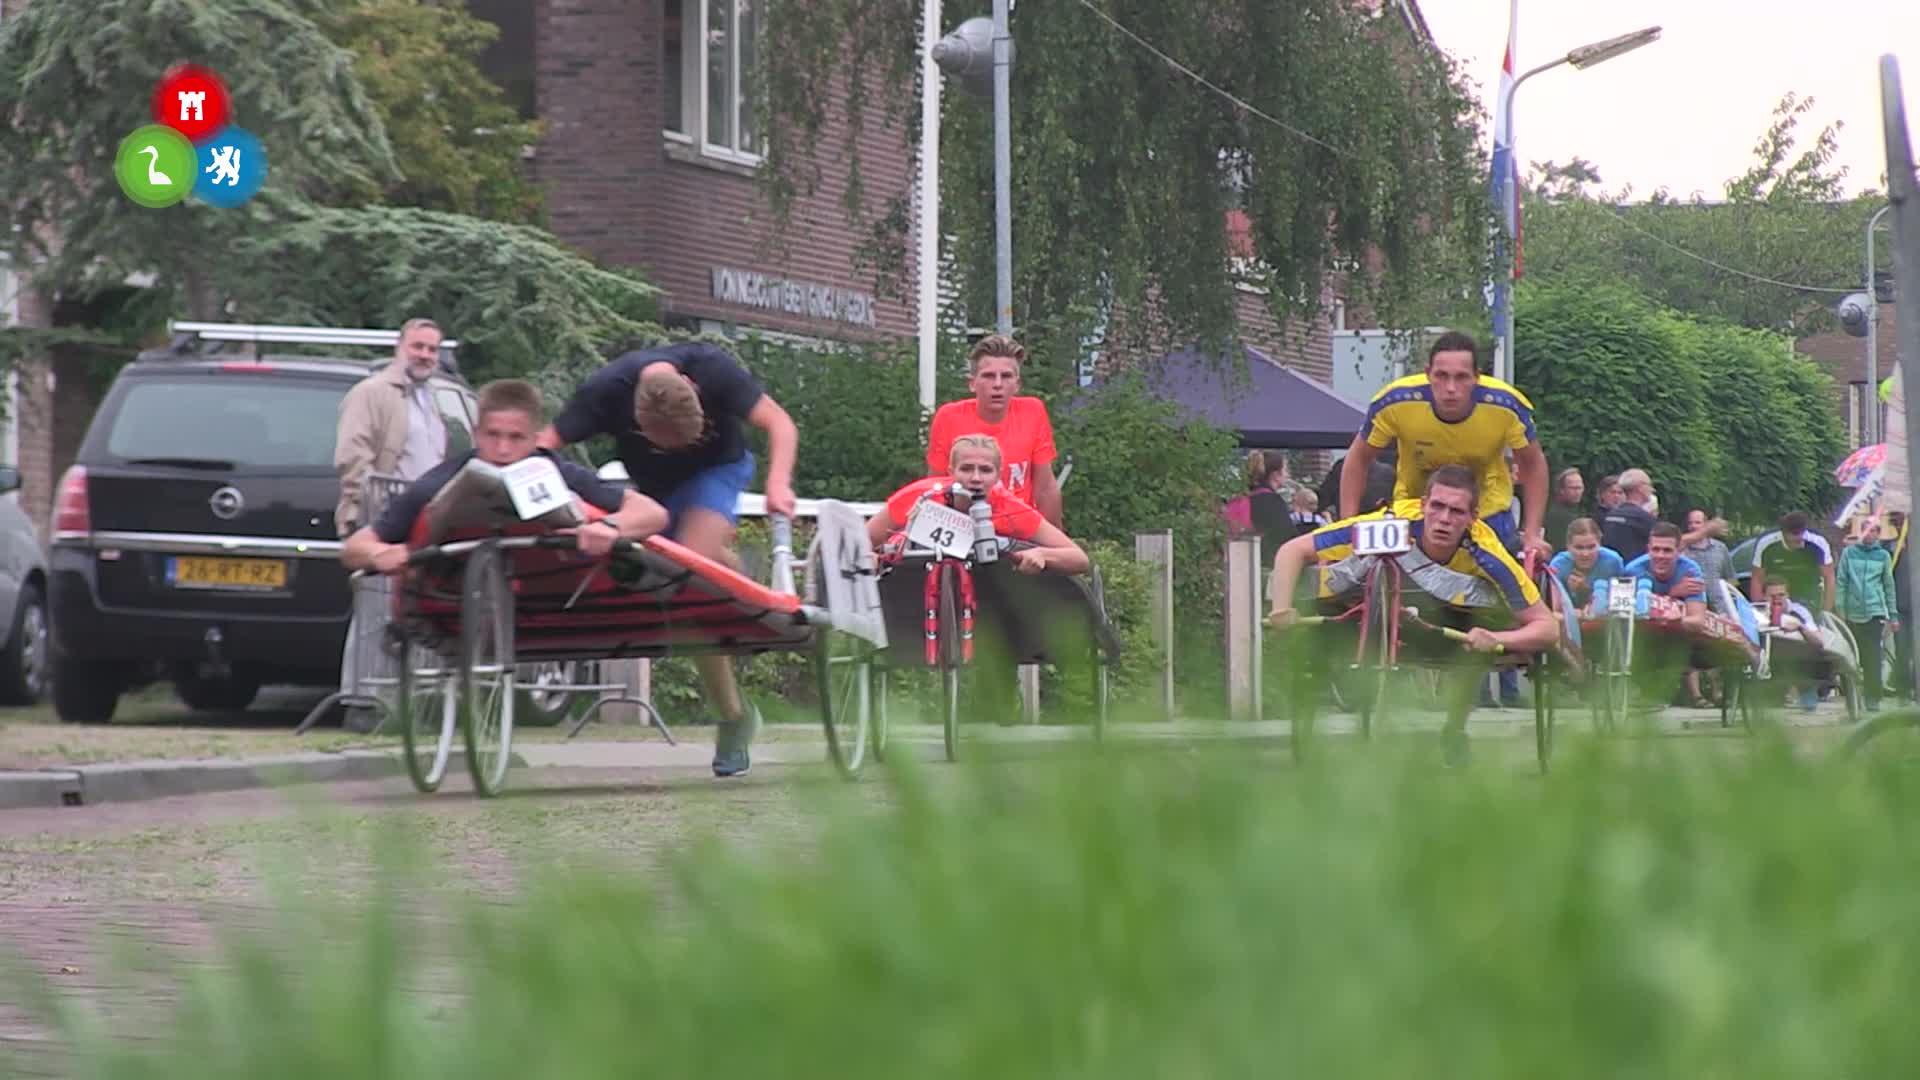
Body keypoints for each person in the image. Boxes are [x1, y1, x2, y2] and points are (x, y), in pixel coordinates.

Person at [538, 340, 799, 778]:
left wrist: (778, 482)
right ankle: (735, 713)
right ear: (637, 421)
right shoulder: (605, 392)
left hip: (718, 473)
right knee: (683, 600)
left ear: (694, 390)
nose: (682, 448)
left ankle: (724, 581)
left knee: (688, 578)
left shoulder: (713, 368)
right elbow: (543, 446)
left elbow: (780, 423)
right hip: (653, 496)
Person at [1267, 464, 1560, 765]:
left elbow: (1547, 627)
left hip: (1457, 621)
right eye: (1437, 507)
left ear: (1473, 518)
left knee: (1474, 649)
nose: (1444, 519)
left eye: (1457, 512)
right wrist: (1281, 609)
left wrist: (1495, 637)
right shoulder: (1390, 525)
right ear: (1423, 506)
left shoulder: (1486, 552)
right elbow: (1292, 550)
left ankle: (1455, 729)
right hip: (1373, 608)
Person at [342, 379, 668, 573]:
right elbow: (354, 547)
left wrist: (609, 527)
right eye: (492, 435)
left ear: (535, 439)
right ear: (475, 434)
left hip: (548, 598)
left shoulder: (558, 471)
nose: (502, 449)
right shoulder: (438, 482)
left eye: (516, 438)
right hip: (458, 600)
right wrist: (379, 554)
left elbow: (653, 514)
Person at [1338, 331, 1552, 558]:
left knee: (1506, 581)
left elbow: (1534, 463)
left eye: (1461, 377)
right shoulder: (1394, 402)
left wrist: (1531, 534)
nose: (1451, 388)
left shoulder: (1506, 406)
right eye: (1441, 376)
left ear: (1476, 377)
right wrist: (1347, 526)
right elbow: (1358, 458)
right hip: (1413, 506)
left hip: (1486, 511)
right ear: (1428, 374)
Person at [868, 434, 1089, 576]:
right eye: (966, 469)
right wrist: (870, 557)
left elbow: (1078, 558)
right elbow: (863, 539)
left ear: (997, 475)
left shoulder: (1010, 508)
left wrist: (1041, 555)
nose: (975, 478)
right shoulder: (921, 495)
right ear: (951, 472)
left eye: (985, 470)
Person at [925, 334, 1062, 527]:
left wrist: (1056, 547)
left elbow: (1046, 488)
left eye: (1006, 376)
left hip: (1018, 529)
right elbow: (934, 488)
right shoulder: (949, 417)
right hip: (964, 528)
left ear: (1017, 384)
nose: (997, 384)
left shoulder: (1033, 411)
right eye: (989, 376)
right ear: (972, 383)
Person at [333, 317, 450, 537]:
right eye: (417, 346)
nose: (425, 355)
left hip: (422, 521)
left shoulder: (432, 399)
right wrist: (379, 510)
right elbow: (351, 457)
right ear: (399, 348)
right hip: (381, 522)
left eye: (432, 349)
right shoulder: (370, 392)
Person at [1837, 514, 1898, 713]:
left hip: (1875, 612)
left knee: (1873, 656)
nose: (1869, 533)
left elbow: (1889, 587)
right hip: (1852, 613)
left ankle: (1873, 697)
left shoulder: (1883, 556)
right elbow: (1842, 582)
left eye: (1874, 530)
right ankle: (1852, 697)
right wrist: (1841, 610)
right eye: (1866, 529)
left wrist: (1893, 615)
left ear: (1878, 534)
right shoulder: (1849, 553)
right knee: (1851, 657)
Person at [1750, 510, 1836, 614]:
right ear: (1783, 534)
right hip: (1776, 599)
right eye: (1793, 542)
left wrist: (1826, 611)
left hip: (1809, 599)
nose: (1798, 545)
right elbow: (1757, 579)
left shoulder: (1818, 542)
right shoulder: (1766, 543)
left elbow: (1829, 577)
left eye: (1800, 540)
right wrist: (1760, 610)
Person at [1623, 522, 1707, 624]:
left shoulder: (1689, 570)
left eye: (1667, 550)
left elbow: (1698, 620)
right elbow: (1623, 614)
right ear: (1648, 549)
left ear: (1678, 551)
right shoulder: (1633, 570)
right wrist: (1671, 594)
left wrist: (1679, 621)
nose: (1660, 556)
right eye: (1655, 549)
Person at [1222, 451, 1295, 556]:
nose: (1288, 475)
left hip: (1236, 559)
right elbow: (1288, 538)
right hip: (1262, 564)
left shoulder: (1243, 497)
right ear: (1276, 475)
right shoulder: (1271, 501)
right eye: (1286, 470)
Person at [1549, 517, 1625, 610]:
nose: (1585, 554)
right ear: (1568, 546)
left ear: (1600, 544)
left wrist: (1586, 591)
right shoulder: (1559, 565)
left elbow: (1621, 606)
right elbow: (1553, 610)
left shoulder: (1613, 562)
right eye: (1579, 548)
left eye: (1591, 547)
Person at [1600, 468, 1658, 563]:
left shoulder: (1610, 515)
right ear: (1640, 488)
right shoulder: (1643, 518)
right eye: (1649, 485)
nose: (1652, 490)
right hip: (1634, 571)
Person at [1544, 468, 1584, 555]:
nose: (1577, 492)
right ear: (1561, 490)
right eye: (1573, 488)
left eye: (1580, 487)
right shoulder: (1557, 514)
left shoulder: (1577, 511)